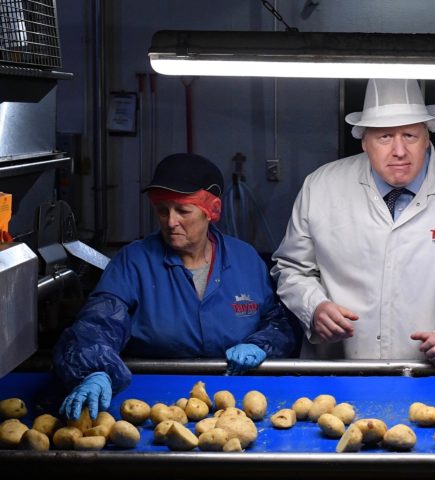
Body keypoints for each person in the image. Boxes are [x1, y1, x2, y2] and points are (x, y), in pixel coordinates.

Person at [271, 78, 435, 366]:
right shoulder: (321, 187)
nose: (398, 151)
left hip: (432, 377)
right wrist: (314, 307)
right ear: (364, 142)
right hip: (337, 374)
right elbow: (292, 268)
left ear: (427, 138)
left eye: (410, 136)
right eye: (384, 137)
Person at [53, 153, 297, 419]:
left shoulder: (245, 259)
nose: (170, 222)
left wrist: (262, 344)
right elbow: (97, 323)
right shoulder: (134, 262)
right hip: (152, 403)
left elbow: (279, 321)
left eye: (183, 210)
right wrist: (93, 370)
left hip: (237, 403)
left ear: (211, 211)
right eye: (162, 210)